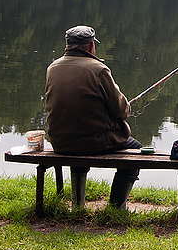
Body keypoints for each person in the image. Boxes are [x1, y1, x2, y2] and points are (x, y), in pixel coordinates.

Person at [45, 25, 141, 209]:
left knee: (78, 138)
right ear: (90, 47)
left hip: (60, 142)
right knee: (135, 150)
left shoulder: (52, 68)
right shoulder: (98, 69)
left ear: (67, 45)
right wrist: (125, 106)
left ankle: (77, 204)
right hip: (92, 143)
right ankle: (116, 208)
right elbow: (121, 111)